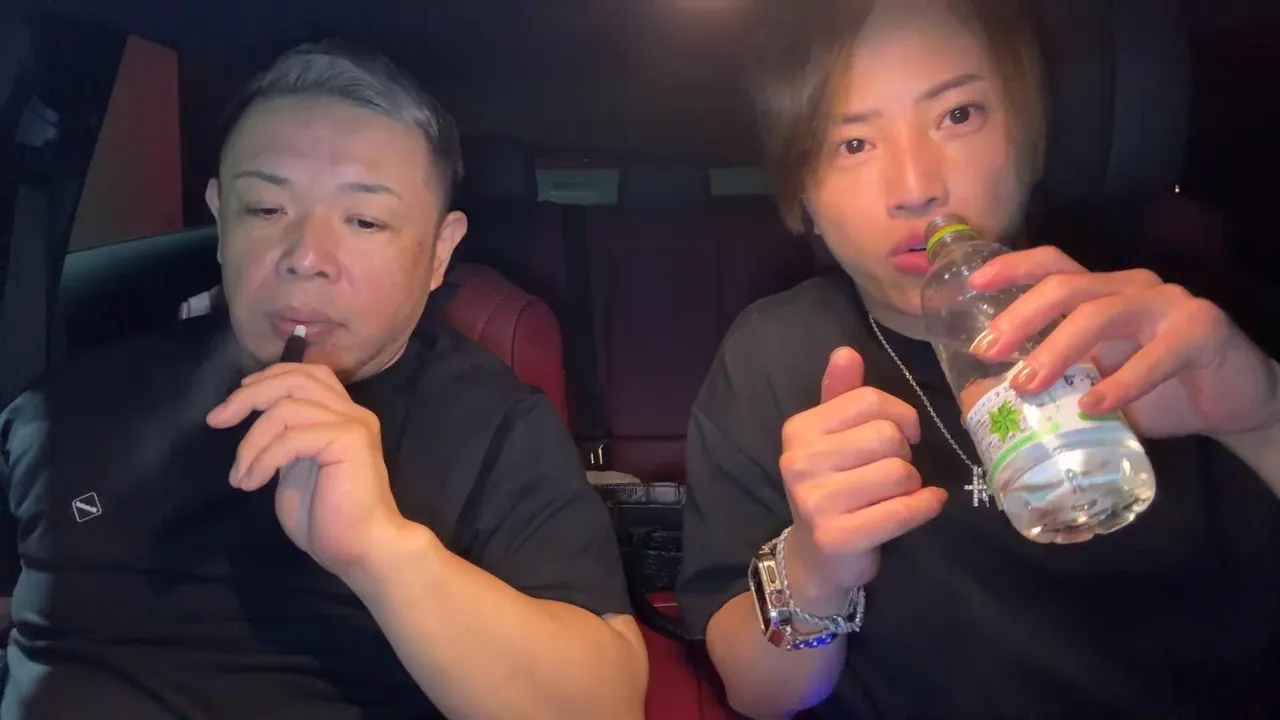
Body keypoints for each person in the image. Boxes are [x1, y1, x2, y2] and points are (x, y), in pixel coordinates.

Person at [0, 43, 646, 719]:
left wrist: (381, 552)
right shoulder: (65, 405)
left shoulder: (496, 428)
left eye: (364, 221)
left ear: (439, 252)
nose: (306, 257)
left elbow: (605, 706)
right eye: (265, 209)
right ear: (220, 220)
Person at [676, 1, 1280, 717]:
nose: (916, 187)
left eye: (958, 115)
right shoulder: (772, 355)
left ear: (1027, 138)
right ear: (802, 192)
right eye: (853, 144)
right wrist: (814, 568)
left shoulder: (1184, 318)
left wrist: (1264, 418)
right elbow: (763, 696)